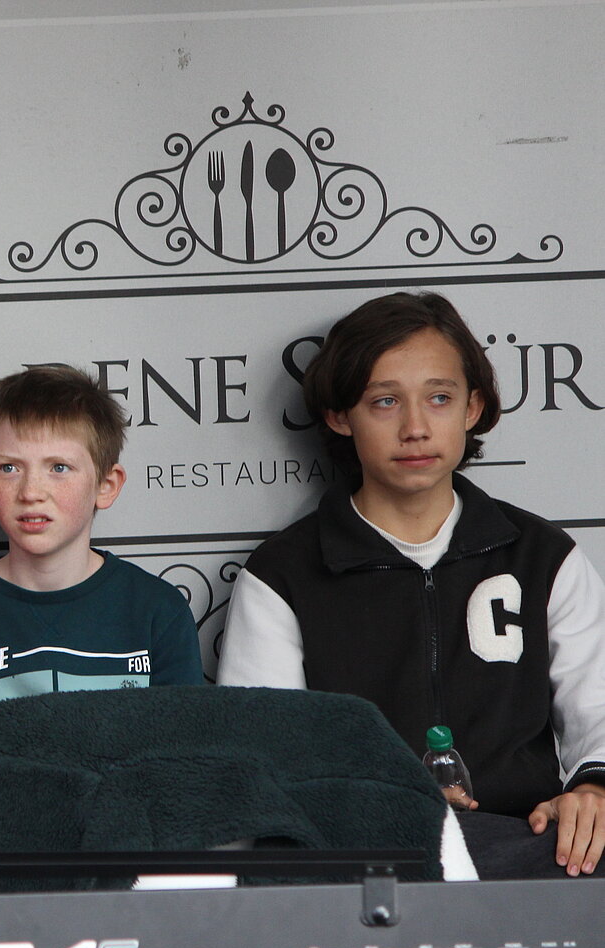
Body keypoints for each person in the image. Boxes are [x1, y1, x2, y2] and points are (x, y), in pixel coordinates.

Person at [219, 291, 605, 878]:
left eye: (439, 398)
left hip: (523, 847)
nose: (416, 428)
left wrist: (592, 792)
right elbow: (266, 763)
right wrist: (385, 808)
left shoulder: (544, 556)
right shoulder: (282, 575)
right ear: (339, 416)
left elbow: (596, 711)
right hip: (364, 857)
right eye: (384, 402)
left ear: (473, 408)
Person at [0, 365, 204, 831]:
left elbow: (186, 774)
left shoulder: (156, 612)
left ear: (106, 485)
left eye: (58, 468)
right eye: (9, 468)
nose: (31, 492)